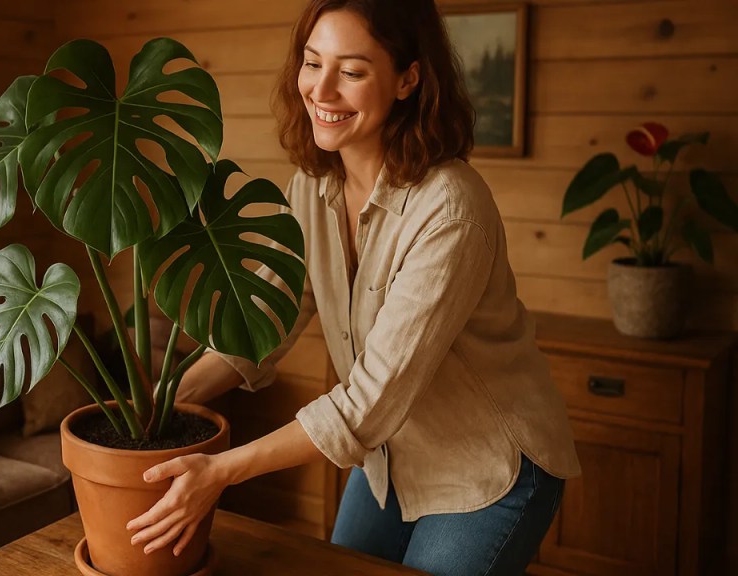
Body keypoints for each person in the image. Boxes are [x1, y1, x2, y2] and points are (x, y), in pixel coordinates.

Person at [126, 1, 581, 574]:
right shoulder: (310, 186)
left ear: (408, 79)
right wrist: (160, 405)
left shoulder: (450, 209)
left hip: (487, 467)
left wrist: (220, 470)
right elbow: (262, 324)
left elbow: (366, 404)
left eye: (352, 71)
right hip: (391, 455)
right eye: (313, 62)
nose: (321, 90)